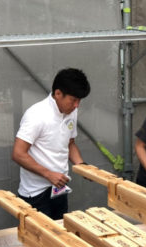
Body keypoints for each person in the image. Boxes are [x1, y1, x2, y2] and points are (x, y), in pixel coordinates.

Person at [12, 68, 90, 219]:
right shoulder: (36, 115)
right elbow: (18, 153)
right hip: (35, 193)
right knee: (40, 234)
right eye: (73, 100)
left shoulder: (71, 111)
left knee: (60, 230)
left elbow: (70, 143)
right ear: (58, 93)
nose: (77, 105)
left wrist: (81, 165)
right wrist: (48, 174)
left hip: (59, 187)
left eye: (79, 101)